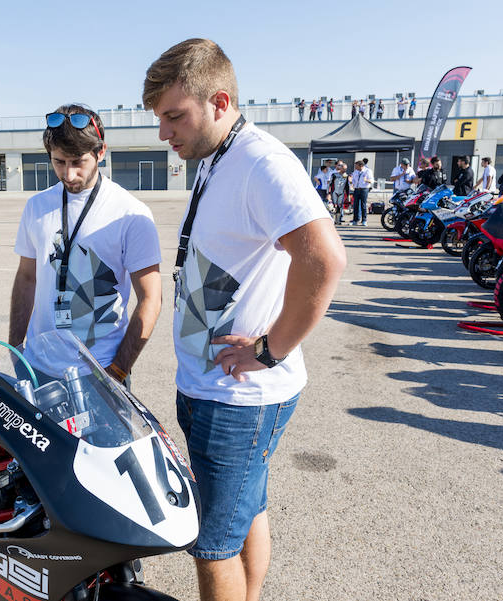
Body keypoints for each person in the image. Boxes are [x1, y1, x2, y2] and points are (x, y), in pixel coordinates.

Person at [142, 38, 346, 601]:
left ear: (221, 101)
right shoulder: (218, 158)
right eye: (159, 119)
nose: (165, 133)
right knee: (247, 511)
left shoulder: (261, 162)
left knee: (212, 546)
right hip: (214, 389)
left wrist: (269, 350)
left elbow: (323, 260)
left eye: (175, 116)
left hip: (239, 399)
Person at [8, 104, 161, 386]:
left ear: (100, 153)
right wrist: (16, 346)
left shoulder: (130, 213)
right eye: (59, 162)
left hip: (100, 370)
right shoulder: (36, 207)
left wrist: (118, 370)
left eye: (78, 162)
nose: (68, 175)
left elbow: (151, 298)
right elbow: (27, 277)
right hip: (38, 366)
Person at [350, 159, 372, 225]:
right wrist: (352, 183)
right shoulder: (355, 172)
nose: (355, 167)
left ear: (361, 166)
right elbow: (353, 179)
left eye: (356, 166)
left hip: (364, 189)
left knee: (363, 205)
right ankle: (355, 220)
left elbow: (372, 180)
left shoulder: (367, 171)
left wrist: (366, 180)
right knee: (355, 205)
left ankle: (364, 220)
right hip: (356, 189)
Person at [329, 160, 350, 225]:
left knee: (339, 206)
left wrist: (348, 195)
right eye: (343, 168)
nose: (344, 170)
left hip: (341, 193)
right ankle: (331, 219)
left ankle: (338, 220)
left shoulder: (346, 176)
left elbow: (347, 186)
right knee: (332, 206)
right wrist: (329, 193)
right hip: (334, 192)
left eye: (346, 168)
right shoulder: (334, 175)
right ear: (340, 168)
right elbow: (330, 184)